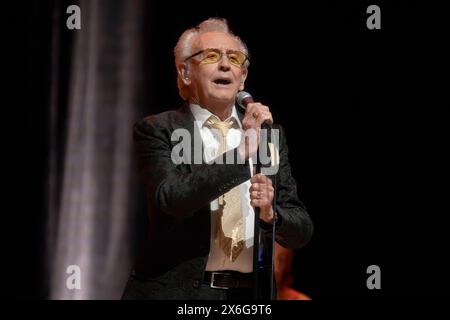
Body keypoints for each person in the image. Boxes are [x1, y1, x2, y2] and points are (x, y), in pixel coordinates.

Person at [122, 17, 313, 300]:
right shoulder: (159, 129)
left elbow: (302, 229)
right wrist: (241, 154)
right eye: (211, 56)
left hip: (250, 296)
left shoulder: (269, 134)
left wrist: (272, 214)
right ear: (186, 73)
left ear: (243, 77)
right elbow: (171, 199)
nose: (225, 64)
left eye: (234, 58)